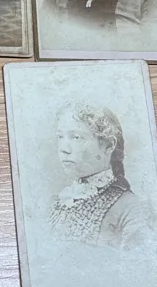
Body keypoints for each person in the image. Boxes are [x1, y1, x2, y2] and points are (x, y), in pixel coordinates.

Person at [49, 104, 150, 249]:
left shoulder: (132, 209)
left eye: (76, 137)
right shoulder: (56, 202)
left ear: (109, 145)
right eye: (60, 137)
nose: (63, 149)